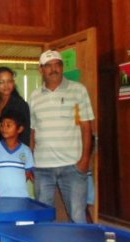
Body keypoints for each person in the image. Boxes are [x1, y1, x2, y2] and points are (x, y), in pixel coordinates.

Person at [29, 50, 95, 223]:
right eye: (48, 66)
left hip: (72, 166)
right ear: (41, 70)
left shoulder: (78, 90)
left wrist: (85, 160)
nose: (53, 69)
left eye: (57, 64)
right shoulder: (35, 96)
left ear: (62, 66)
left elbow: (86, 127)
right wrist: (32, 161)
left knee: (77, 216)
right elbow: (33, 131)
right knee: (43, 217)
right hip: (42, 167)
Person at [0, 110, 34, 197]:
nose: (4, 128)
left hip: (21, 199)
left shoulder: (26, 151)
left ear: (19, 129)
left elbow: (27, 175)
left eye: (8, 125)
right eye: (2, 125)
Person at [0, 66, 31, 145]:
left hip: (15, 151)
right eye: (1, 82)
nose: (6, 85)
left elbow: (25, 133)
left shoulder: (20, 105)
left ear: (13, 83)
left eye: (9, 81)